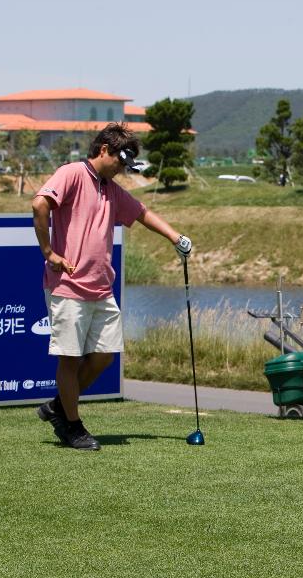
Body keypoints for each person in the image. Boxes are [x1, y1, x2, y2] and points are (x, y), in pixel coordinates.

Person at [31, 123, 193, 451]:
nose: (121, 169)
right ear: (104, 149)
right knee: (70, 359)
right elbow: (39, 204)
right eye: (120, 161)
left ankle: (58, 407)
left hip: (101, 288)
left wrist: (175, 237)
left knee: (104, 356)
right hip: (68, 285)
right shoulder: (73, 173)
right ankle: (71, 426)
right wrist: (49, 252)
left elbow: (142, 212)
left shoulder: (111, 189)